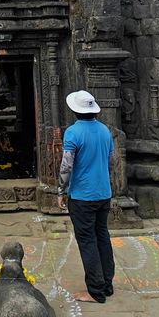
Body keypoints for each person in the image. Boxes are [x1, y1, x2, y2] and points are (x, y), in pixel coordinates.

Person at [57, 90, 115, 303]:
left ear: (74, 109)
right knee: (102, 236)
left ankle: (96, 291)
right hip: (103, 194)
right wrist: (103, 182)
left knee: (88, 241)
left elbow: (66, 167)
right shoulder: (105, 131)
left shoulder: (73, 133)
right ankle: (107, 284)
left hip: (82, 196)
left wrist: (61, 191)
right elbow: (111, 163)